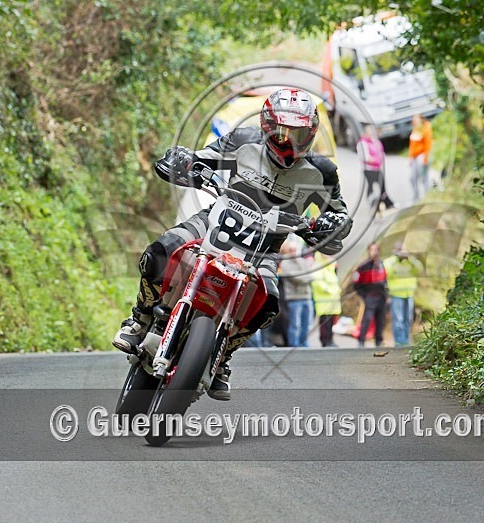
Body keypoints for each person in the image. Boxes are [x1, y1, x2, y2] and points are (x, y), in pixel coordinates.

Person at [112, 88, 352, 400]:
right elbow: (201, 159)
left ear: (312, 133)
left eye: (299, 134)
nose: (289, 142)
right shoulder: (242, 140)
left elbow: (340, 215)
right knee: (159, 252)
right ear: (266, 126)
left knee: (268, 305)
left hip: (263, 249)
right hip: (213, 222)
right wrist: (185, 161)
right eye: (281, 133)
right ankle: (140, 318)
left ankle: (222, 354)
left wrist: (333, 224)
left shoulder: (323, 172)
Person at [384, 241, 422, 348]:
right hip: (396, 295)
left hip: (408, 294)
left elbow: (420, 269)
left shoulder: (409, 262)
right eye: (399, 250)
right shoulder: (390, 262)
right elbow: (387, 271)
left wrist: (410, 258)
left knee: (408, 319)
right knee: (398, 320)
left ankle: (406, 340)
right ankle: (399, 341)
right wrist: (395, 257)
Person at [279, 240, 315, 348]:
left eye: (295, 249)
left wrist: (306, 277)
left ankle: (304, 344)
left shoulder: (302, 261)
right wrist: (307, 278)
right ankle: (293, 345)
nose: (293, 252)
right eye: (291, 250)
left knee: (307, 324)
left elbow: (311, 275)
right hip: (294, 298)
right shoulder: (285, 263)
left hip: (307, 297)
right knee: (295, 325)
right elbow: (296, 278)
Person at [352, 242, 387, 348]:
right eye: (372, 249)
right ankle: (361, 340)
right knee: (367, 318)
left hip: (381, 295)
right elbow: (356, 283)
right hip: (370, 295)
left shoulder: (381, 264)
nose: (374, 252)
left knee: (380, 319)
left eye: (376, 249)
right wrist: (363, 295)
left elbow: (385, 280)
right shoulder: (363, 266)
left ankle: (378, 341)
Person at [357, 124, 394, 211]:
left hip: (377, 168)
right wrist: (375, 160)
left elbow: (380, 151)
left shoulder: (374, 141)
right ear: (366, 133)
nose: (371, 134)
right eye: (370, 132)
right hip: (368, 169)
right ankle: (373, 203)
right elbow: (364, 157)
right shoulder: (362, 143)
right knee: (372, 187)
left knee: (382, 186)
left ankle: (385, 202)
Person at [311, 251, 342, 347]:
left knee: (331, 322)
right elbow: (317, 283)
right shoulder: (318, 266)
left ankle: (330, 340)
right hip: (324, 301)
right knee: (325, 323)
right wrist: (329, 290)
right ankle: (325, 341)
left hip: (332, 301)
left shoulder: (330, 267)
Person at [408, 114, 433, 200]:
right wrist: (410, 157)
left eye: (415, 120)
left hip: (422, 157)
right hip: (414, 158)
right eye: (413, 120)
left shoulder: (426, 129)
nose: (413, 121)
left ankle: (429, 196)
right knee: (412, 178)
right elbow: (412, 145)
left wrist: (425, 159)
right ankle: (416, 197)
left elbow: (428, 145)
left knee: (424, 178)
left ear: (421, 120)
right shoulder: (415, 130)